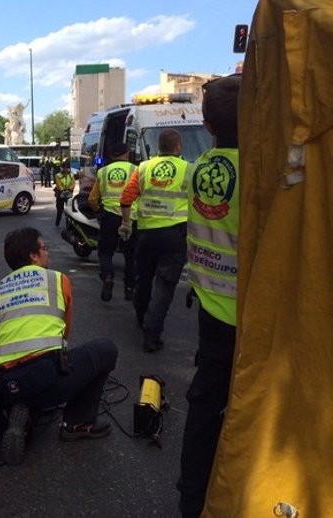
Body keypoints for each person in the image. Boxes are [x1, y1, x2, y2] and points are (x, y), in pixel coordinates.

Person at [0, 227, 118, 465]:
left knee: (28, 384)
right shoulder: (57, 280)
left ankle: (23, 415)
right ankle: (77, 422)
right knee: (105, 350)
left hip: (5, 384)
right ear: (33, 256)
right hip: (48, 378)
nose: (47, 253)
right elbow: (65, 334)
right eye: (44, 248)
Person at [177, 74, 241, 518]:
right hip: (254, 312)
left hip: (211, 306)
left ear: (207, 124)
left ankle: (191, 497)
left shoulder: (199, 170)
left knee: (205, 405)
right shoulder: (265, 171)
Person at [119, 129, 189, 352]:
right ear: (178, 147)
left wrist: (127, 224)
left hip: (147, 234)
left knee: (144, 278)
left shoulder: (144, 168)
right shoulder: (188, 169)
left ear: (159, 146)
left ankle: (141, 317)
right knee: (164, 285)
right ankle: (152, 332)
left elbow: (126, 198)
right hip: (174, 235)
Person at [88, 143, 138, 302]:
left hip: (109, 217)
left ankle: (108, 276)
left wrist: (97, 212)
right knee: (131, 255)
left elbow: (92, 199)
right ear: (127, 153)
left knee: (105, 251)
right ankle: (129, 288)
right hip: (131, 217)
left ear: (111, 155)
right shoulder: (136, 170)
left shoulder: (102, 172)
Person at [54, 157, 75, 226]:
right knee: (60, 210)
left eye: (67, 167)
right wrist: (63, 190)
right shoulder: (58, 175)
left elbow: (73, 183)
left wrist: (69, 190)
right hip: (60, 194)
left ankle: (69, 223)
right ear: (62, 168)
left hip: (68, 193)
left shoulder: (71, 175)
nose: (66, 169)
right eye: (64, 167)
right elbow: (58, 184)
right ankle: (57, 222)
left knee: (70, 209)